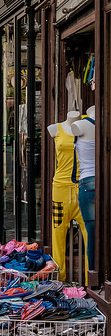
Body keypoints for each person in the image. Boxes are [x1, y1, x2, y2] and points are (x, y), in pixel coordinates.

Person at [47, 110, 89, 282]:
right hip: (61, 189)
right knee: (58, 235)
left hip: (84, 188)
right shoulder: (54, 129)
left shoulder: (88, 126)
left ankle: (89, 280)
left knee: (90, 235)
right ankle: (59, 279)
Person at [73, 105, 96, 268]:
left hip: (88, 182)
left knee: (92, 232)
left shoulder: (80, 125)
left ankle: (93, 272)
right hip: (103, 181)